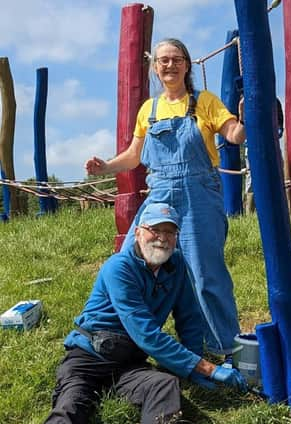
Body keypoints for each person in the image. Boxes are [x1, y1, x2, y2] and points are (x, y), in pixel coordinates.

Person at [85, 38, 245, 356]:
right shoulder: (149, 109)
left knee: (204, 273)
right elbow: (133, 155)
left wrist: (244, 121)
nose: (169, 65)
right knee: (132, 260)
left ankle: (224, 348)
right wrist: (105, 167)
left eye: (175, 59)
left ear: (187, 64)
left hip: (199, 193)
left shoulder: (205, 101)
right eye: (163, 61)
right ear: (155, 69)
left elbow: (233, 134)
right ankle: (121, 339)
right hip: (159, 195)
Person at [43, 203, 248, 424]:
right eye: (155, 230)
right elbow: (146, 334)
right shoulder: (119, 267)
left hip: (129, 363)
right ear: (138, 232)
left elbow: (189, 317)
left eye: (170, 232)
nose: (162, 238)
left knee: (163, 385)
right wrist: (208, 367)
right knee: (69, 408)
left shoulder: (176, 264)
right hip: (89, 358)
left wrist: (191, 366)